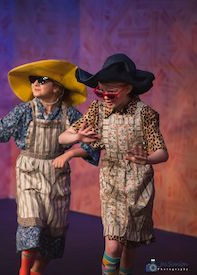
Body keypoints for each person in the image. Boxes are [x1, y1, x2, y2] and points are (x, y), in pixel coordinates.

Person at [0, 60, 99, 275]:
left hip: (56, 177)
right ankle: (23, 272)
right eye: (33, 80)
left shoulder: (70, 115)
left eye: (42, 80)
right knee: (31, 226)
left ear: (57, 87)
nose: (35, 83)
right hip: (30, 173)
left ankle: (36, 272)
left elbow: (93, 146)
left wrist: (70, 153)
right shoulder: (24, 111)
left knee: (53, 235)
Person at [57, 53, 169, 275]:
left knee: (129, 246)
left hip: (139, 184)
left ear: (128, 88)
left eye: (111, 92)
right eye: (100, 91)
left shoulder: (145, 114)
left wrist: (146, 158)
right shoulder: (97, 112)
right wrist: (78, 137)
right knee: (113, 244)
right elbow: (63, 138)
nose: (105, 97)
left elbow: (162, 152)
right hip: (111, 181)